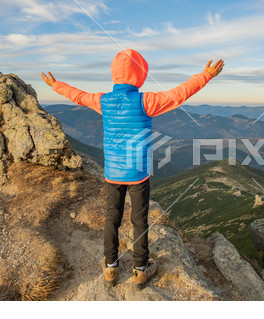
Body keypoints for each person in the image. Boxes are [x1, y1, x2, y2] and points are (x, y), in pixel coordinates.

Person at [41, 49, 224, 289]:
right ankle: (140, 269)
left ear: (114, 75)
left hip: (113, 173)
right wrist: (205, 75)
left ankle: (110, 266)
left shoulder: (104, 101)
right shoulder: (145, 101)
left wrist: (56, 85)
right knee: (139, 221)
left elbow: (79, 96)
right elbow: (179, 94)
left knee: (112, 217)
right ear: (140, 75)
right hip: (138, 173)